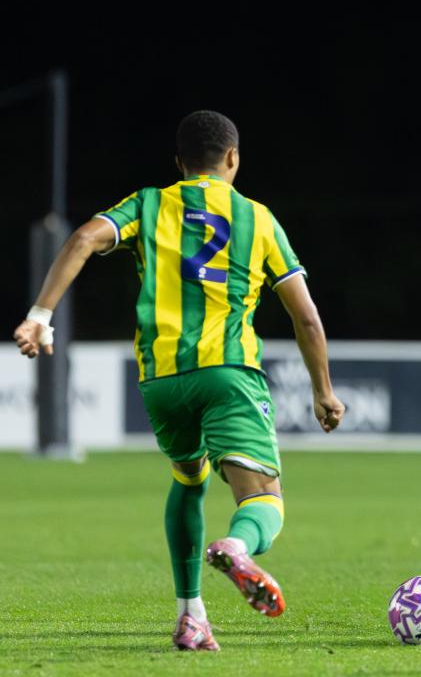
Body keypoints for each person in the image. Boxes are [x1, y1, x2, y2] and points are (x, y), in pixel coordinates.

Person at [13, 110, 345, 652]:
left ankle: (191, 616)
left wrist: (40, 315)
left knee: (189, 479)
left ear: (179, 163)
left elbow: (81, 239)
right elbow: (306, 317)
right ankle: (236, 548)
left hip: (161, 380)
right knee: (263, 499)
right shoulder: (256, 218)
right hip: (227, 371)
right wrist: (323, 391)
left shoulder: (148, 203)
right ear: (232, 158)